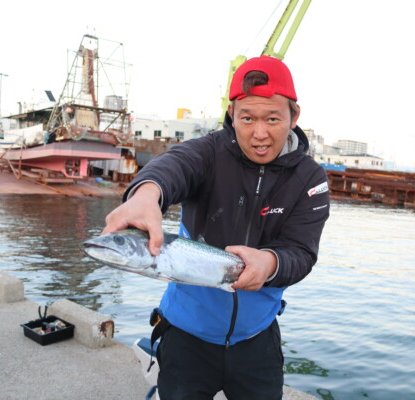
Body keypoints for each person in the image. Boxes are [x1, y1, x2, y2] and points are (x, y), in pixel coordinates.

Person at [102, 55, 330, 400]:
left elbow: (301, 252)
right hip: (185, 333)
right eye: (247, 118)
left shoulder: (310, 178)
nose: (259, 133)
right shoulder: (207, 153)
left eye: (272, 118)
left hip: (257, 339)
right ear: (232, 114)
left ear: (294, 116)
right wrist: (146, 193)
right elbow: (173, 166)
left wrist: (269, 263)